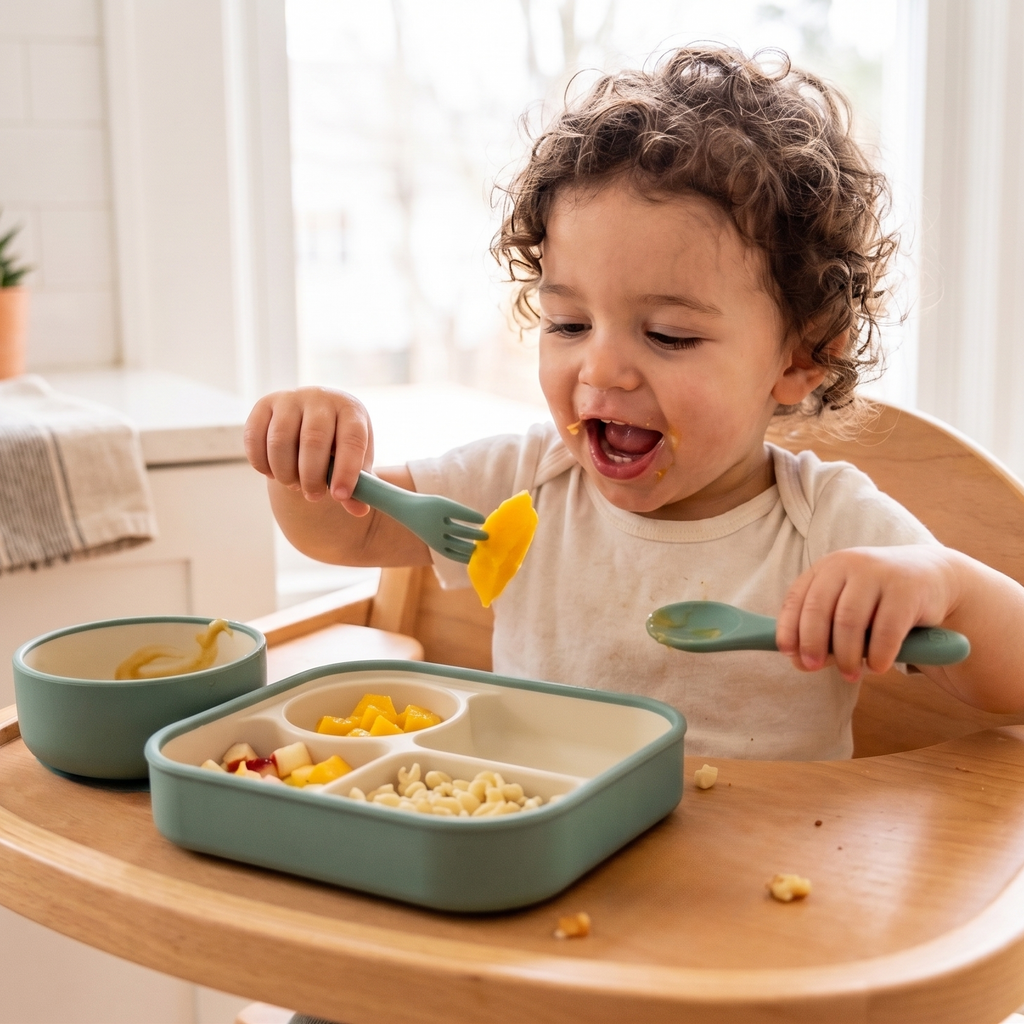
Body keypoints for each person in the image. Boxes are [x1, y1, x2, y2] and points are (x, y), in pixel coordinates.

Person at [246, 46, 1024, 761]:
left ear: (800, 356)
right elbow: (342, 534)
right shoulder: (525, 483)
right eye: (569, 324)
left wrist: (941, 584)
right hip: (544, 855)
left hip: (757, 884)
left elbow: (1012, 683)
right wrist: (307, 453)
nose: (602, 368)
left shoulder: (822, 523)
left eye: (669, 335)